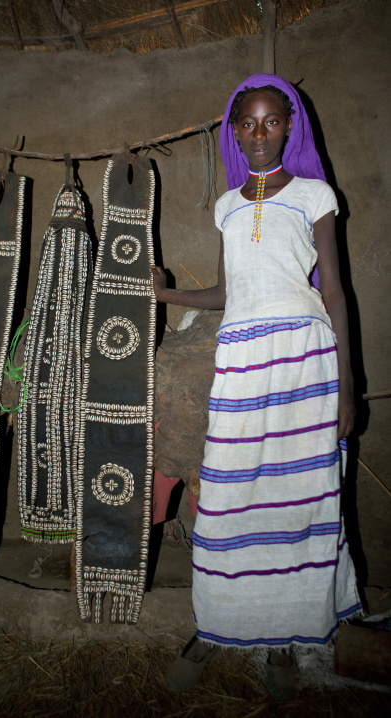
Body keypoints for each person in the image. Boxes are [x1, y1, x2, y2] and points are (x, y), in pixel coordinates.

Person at [152, 73, 362, 693]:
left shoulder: (316, 196)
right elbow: (226, 292)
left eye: (273, 121)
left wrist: (348, 387)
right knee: (227, 498)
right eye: (248, 122)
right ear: (234, 132)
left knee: (299, 498)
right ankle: (218, 624)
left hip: (304, 359)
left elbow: (335, 294)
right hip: (242, 362)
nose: (260, 132)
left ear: (290, 126)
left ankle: (286, 633)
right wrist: (166, 292)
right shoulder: (227, 206)